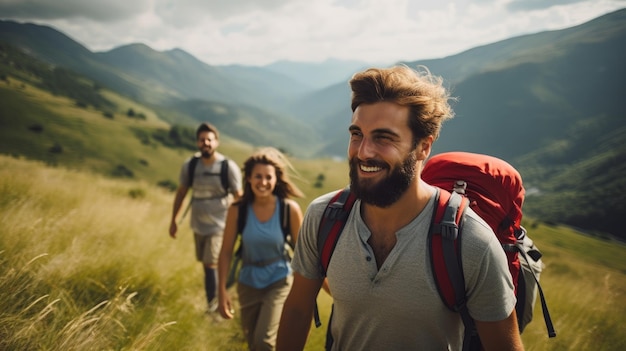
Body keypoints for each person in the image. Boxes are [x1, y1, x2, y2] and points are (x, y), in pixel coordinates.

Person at [276, 65, 524, 351]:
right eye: (357, 134)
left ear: (423, 147)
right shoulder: (324, 218)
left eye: (383, 137)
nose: (363, 151)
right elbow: (297, 310)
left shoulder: (470, 242)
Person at [218, 147, 304, 351]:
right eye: (258, 176)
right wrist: (221, 291)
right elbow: (226, 251)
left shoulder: (289, 209)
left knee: (263, 342)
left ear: (276, 180)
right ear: (248, 178)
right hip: (247, 282)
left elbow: (305, 255)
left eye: (268, 177)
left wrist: (327, 287)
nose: (263, 182)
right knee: (252, 343)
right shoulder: (237, 209)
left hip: (279, 280)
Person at [169, 122, 243, 313]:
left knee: (211, 264)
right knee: (208, 265)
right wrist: (173, 220)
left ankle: (214, 308)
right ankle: (223, 294)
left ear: (216, 142)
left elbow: (239, 198)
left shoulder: (228, 167)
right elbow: (182, 192)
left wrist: (243, 226)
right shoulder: (191, 165)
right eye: (202, 140)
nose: (206, 143)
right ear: (197, 143)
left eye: (209, 140)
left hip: (221, 225)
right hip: (198, 224)